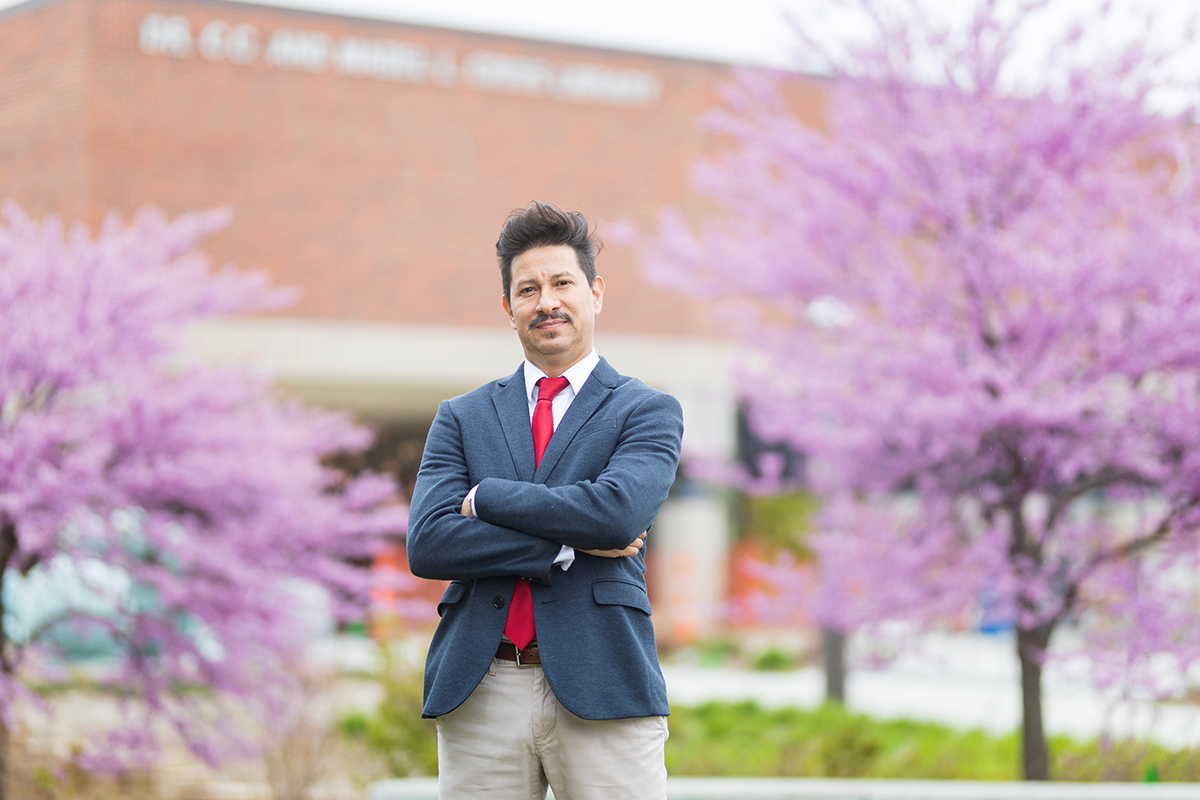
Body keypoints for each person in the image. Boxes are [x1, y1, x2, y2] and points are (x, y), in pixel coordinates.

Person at [406, 200, 684, 800]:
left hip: (604, 683)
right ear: (509, 309)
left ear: (596, 293)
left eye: (562, 283)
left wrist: (486, 497)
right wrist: (564, 542)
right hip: (481, 688)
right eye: (527, 289)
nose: (546, 301)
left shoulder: (646, 411)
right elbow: (429, 543)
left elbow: (617, 515)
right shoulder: (462, 417)